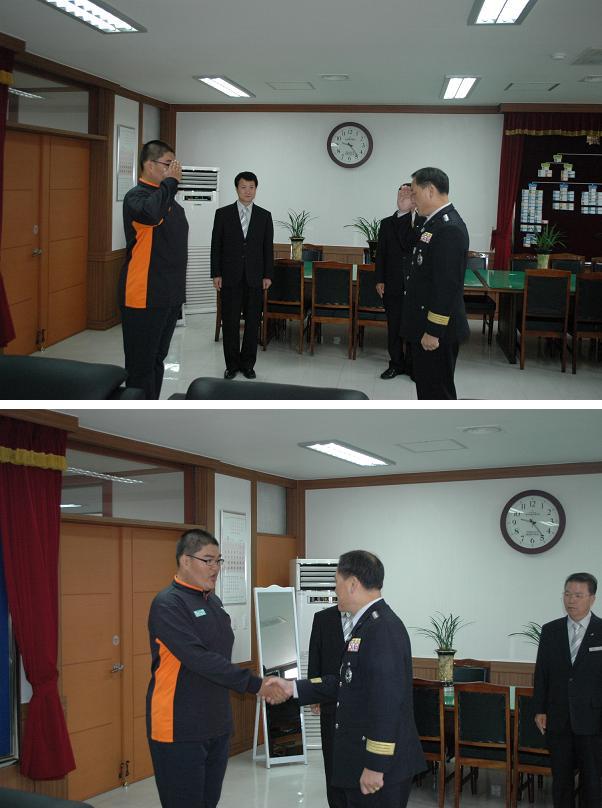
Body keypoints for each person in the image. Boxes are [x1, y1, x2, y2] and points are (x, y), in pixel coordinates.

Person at [273, 550, 426, 808]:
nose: (335, 591)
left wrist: (376, 765)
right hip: (361, 759)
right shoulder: (367, 624)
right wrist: (293, 688)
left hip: (381, 770)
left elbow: (387, 704)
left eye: (337, 583)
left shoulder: (382, 630)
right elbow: (346, 682)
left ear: (353, 584)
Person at [146, 528, 283, 808]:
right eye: (208, 560)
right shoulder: (168, 604)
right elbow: (199, 659)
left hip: (216, 723)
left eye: (218, 561)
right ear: (185, 561)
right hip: (179, 726)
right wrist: (256, 685)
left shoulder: (213, 601)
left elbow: (221, 657)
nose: (216, 568)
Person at [119, 140, 188, 399]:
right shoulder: (136, 197)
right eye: (168, 164)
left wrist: (179, 294)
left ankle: (151, 406)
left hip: (168, 295)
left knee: (158, 359)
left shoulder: (170, 201)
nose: (174, 170)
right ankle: (136, 415)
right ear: (149, 165)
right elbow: (151, 215)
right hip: (143, 295)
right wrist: (170, 183)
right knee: (141, 365)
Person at [533, 572, 602, 808]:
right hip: (558, 719)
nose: (571, 600)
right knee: (561, 782)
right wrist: (539, 709)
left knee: (592, 783)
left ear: (592, 598)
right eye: (567, 594)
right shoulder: (550, 630)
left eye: (578, 595)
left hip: (593, 720)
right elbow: (541, 673)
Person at [400, 166, 469, 400]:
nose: (413, 198)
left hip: (437, 332)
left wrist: (433, 330)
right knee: (427, 388)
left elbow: (446, 286)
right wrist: (405, 213)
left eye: (415, 193)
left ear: (430, 190)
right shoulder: (431, 222)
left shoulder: (449, 228)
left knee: (437, 393)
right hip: (423, 324)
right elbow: (408, 248)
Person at [211, 172, 273, 379]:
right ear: (237, 189)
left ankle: (248, 365)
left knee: (253, 323)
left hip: (255, 278)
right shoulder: (223, 214)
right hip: (230, 277)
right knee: (230, 323)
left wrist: (268, 275)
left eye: (251, 187)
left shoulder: (264, 216)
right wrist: (216, 273)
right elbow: (216, 246)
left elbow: (267, 248)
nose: (248, 191)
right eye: (243, 187)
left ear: (256, 189)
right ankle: (231, 365)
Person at [375, 183, 423, 380]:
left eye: (407, 193)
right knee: (394, 327)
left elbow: (413, 244)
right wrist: (379, 279)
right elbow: (381, 254)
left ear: (414, 200)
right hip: (392, 283)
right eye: (400, 193)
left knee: (412, 327)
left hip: (414, 285)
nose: (402, 195)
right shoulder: (387, 223)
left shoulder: (421, 222)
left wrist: (414, 216)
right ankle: (396, 364)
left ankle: (413, 366)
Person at [307, 604, 348, 808]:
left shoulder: (367, 618)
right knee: (331, 760)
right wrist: (313, 694)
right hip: (330, 701)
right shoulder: (322, 618)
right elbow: (314, 655)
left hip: (358, 704)